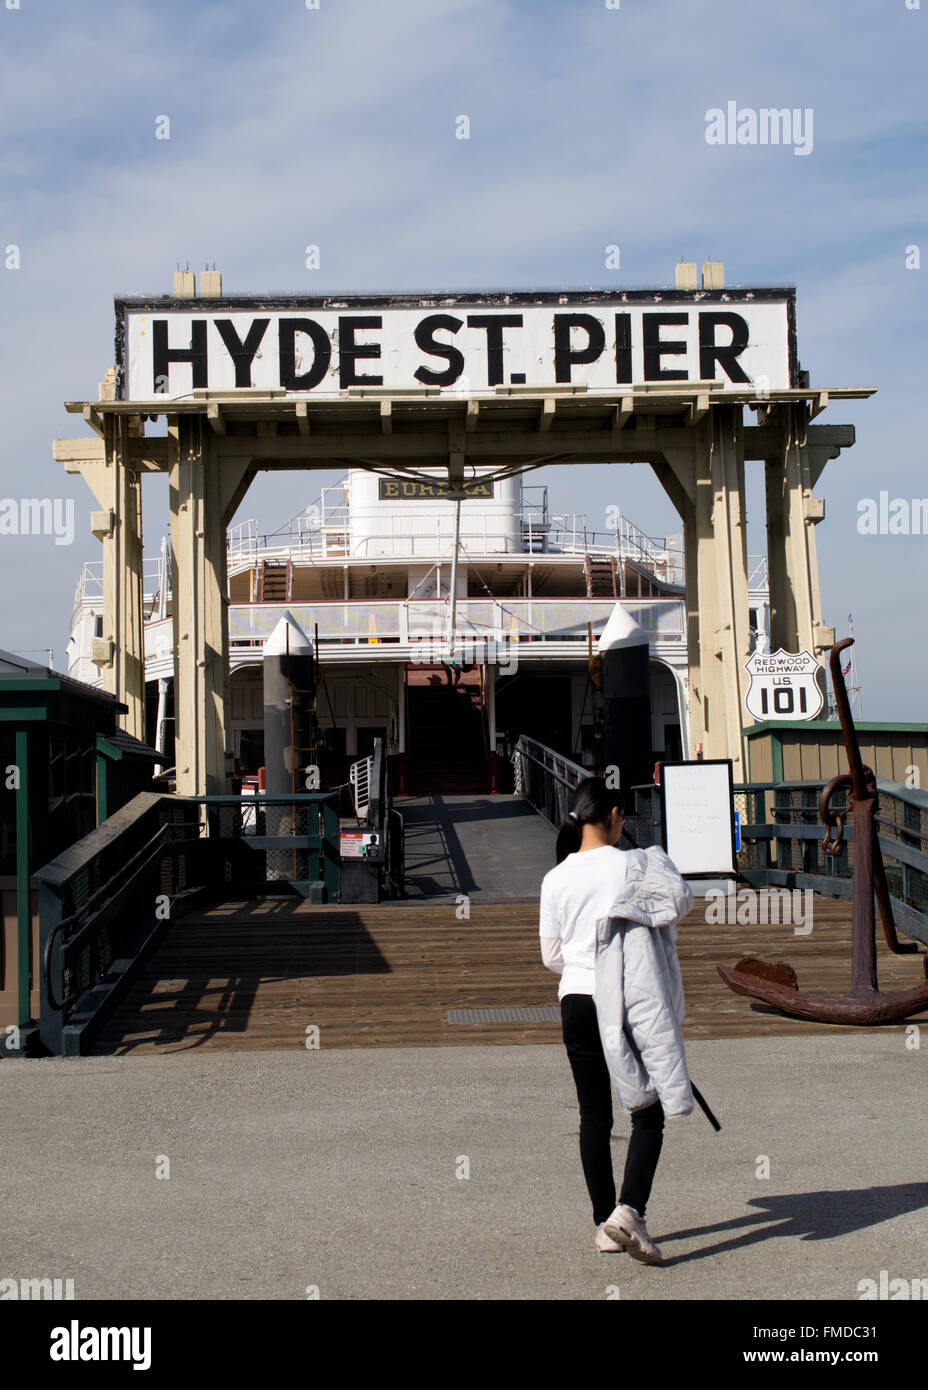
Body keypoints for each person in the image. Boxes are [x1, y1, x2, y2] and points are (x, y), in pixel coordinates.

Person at [538, 775, 694, 1263]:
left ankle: (603, 1223)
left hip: (576, 1000)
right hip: (626, 999)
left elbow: (551, 954)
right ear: (612, 817)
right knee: (646, 1109)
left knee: (594, 1116)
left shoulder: (556, 877)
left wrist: (585, 967)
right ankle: (629, 1210)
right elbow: (674, 905)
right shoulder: (633, 864)